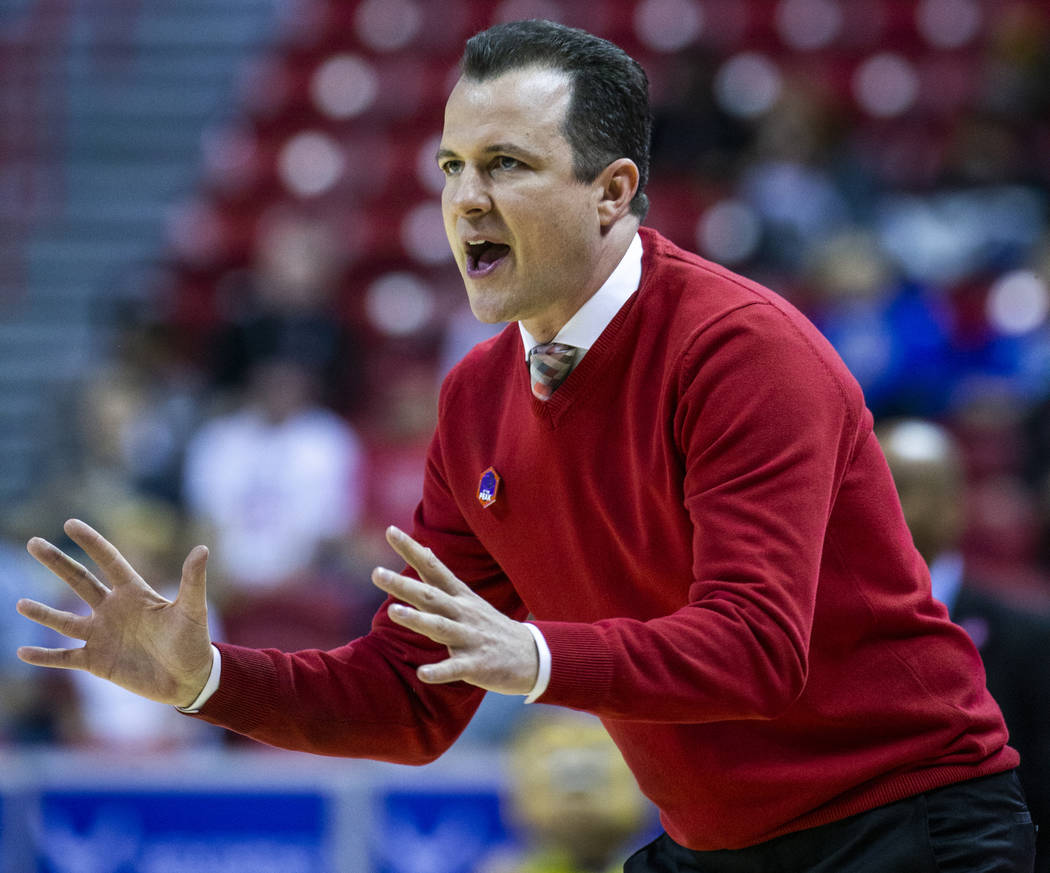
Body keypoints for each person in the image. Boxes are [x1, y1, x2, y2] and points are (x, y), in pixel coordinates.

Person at [15, 19, 1036, 873]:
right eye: (452, 167)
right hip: (720, 844)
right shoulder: (473, 401)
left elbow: (757, 648)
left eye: (507, 165)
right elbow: (410, 700)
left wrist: (539, 654)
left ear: (611, 192)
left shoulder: (741, 352)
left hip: (911, 827)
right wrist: (205, 682)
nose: (466, 199)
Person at [879, 417, 1050, 873]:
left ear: (957, 504)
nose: (904, 509)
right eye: (887, 489)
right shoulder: (819, 628)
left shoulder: (1030, 635)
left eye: (919, 489)